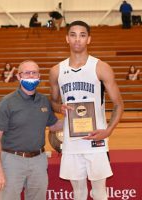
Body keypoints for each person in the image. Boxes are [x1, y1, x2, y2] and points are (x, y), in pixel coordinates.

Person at [49, 21, 124, 200]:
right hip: (71, 140)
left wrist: (108, 130)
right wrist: (60, 107)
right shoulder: (56, 71)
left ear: (89, 39)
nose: (77, 39)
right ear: (67, 38)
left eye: (82, 35)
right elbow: (52, 101)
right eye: (73, 35)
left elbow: (119, 104)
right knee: (79, 193)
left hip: (96, 139)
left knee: (99, 192)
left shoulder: (101, 67)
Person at [0, 60, 63, 200]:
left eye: (34, 73)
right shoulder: (7, 102)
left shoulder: (43, 101)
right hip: (12, 160)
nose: (31, 76)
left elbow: (54, 125)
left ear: (39, 76)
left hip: (39, 160)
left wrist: (76, 118)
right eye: (27, 73)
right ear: (19, 77)